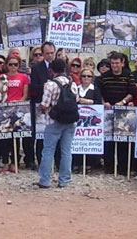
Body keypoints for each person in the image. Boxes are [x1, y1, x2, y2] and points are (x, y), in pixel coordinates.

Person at [35, 59, 78, 188]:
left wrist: (41, 108)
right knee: (66, 150)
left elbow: (45, 104)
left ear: (51, 70)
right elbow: (76, 100)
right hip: (70, 120)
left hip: (54, 120)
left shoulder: (50, 85)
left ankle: (45, 179)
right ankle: (64, 180)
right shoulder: (73, 84)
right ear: (65, 69)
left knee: (48, 150)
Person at [96, 51, 137, 173]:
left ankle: (123, 167)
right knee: (108, 140)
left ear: (122, 63)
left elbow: (133, 92)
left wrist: (123, 102)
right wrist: (104, 102)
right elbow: (99, 91)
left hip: (123, 111)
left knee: (123, 140)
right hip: (108, 110)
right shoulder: (105, 76)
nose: (114, 65)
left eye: (117, 63)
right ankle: (109, 166)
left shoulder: (128, 75)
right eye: (112, 63)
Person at [0, 55, 29, 173]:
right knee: (4, 137)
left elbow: (25, 94)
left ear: (19, 66)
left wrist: (19, 102)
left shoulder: (23, 77)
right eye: (10, 64)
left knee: (16, 137)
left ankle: (15, 162)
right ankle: (5, 162)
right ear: (6, 65)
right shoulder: (3, 77)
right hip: (5, 109)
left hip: (18, 109)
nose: (13, 67)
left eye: (15, 64)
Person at [29, 41, 57, 169]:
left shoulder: (60, 66)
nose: (50, 56)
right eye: (47, 53)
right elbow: (33, 87)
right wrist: (47, 86)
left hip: (56, 107)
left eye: (52, 53)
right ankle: (41, 163)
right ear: (43, 53)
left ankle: (58, 163)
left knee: (57, 136)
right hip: (41, 106)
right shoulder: (36, 68)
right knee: (41, 136)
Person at [73, 67, 102, 173]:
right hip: (78, 120)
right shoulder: (76, 88)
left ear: (92, 78)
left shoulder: (95, 89)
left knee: (88, 141)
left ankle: (89, 163)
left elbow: (98, 103)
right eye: (84, 76)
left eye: (89, 76)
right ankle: (76, 162)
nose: (86, 78)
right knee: (77, 141)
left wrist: (86, 101)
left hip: (90, 121)